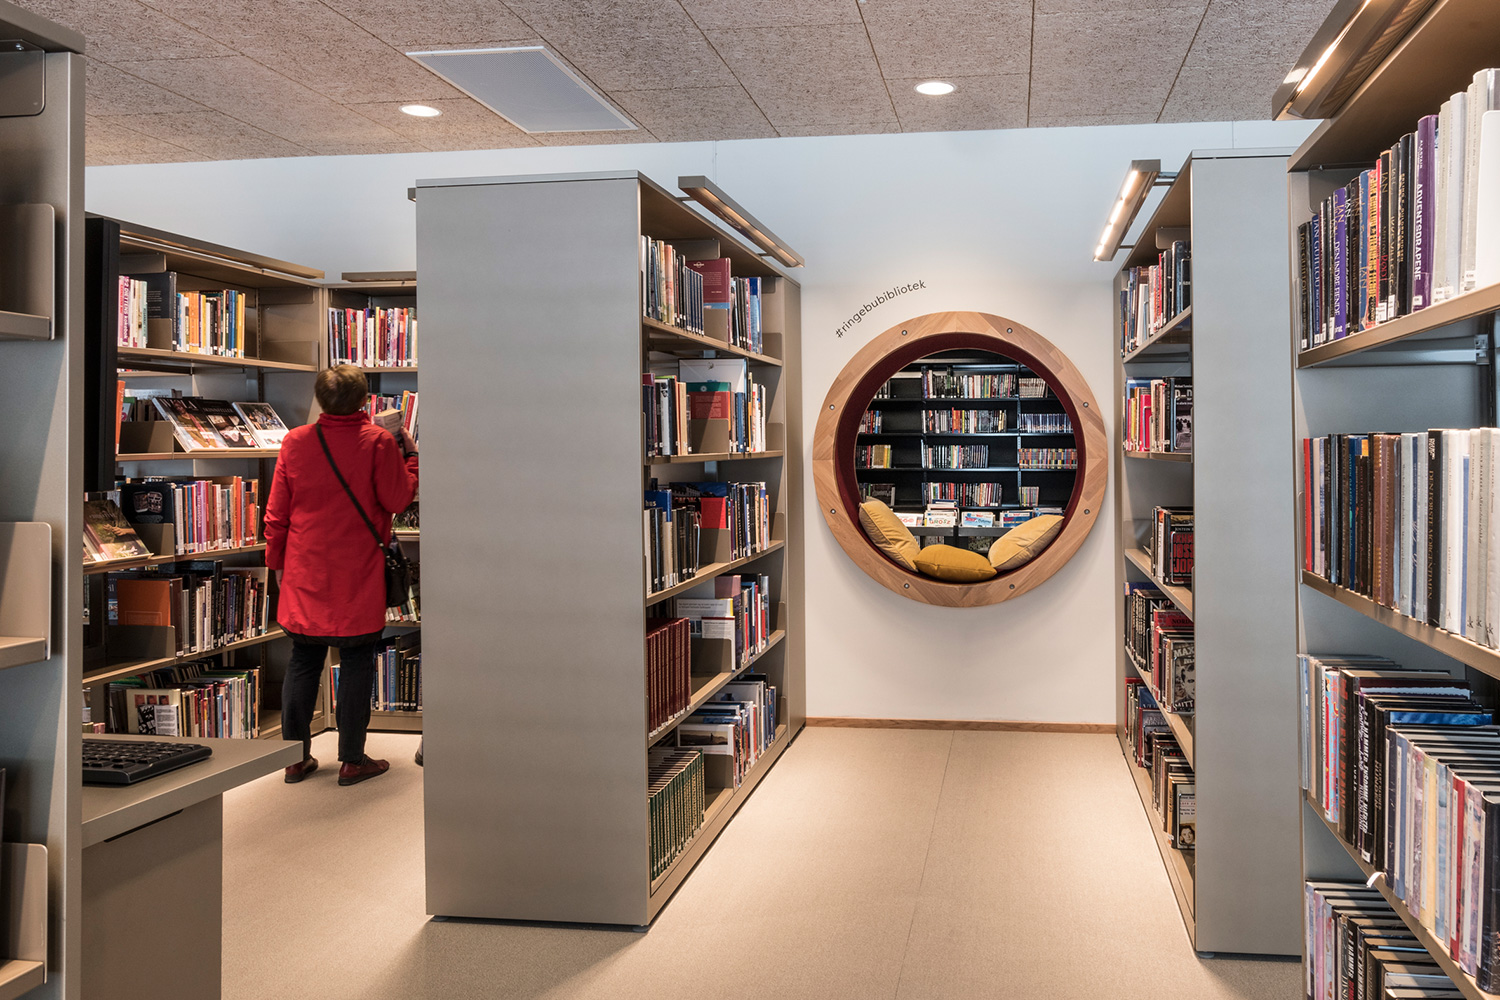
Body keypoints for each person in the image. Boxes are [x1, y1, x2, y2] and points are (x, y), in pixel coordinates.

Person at [264, 365, 419, 786]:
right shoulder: (378, 442)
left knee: (302, 660)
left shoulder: (295, 442)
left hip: (305, 570)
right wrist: (411, 459)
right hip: (357, 572)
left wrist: (276, 564)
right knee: (357, 661)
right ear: (365, 400)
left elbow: (277, 513)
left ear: (319, 399)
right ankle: (352, 759)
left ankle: (295, 759)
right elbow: (398, 498)